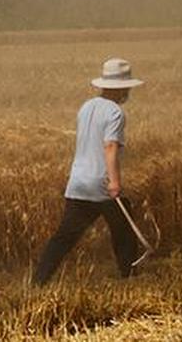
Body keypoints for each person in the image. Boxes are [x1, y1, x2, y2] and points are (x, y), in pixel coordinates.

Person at [33, 58, 144, 285]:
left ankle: (38, 281)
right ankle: (129, 277)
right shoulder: (115, 113)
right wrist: (114, 182)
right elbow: (110, 146)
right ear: (121, 87)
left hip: (77, 182)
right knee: (123, 232)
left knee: (64, 237)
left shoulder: (86, 107)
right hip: (101, 183)